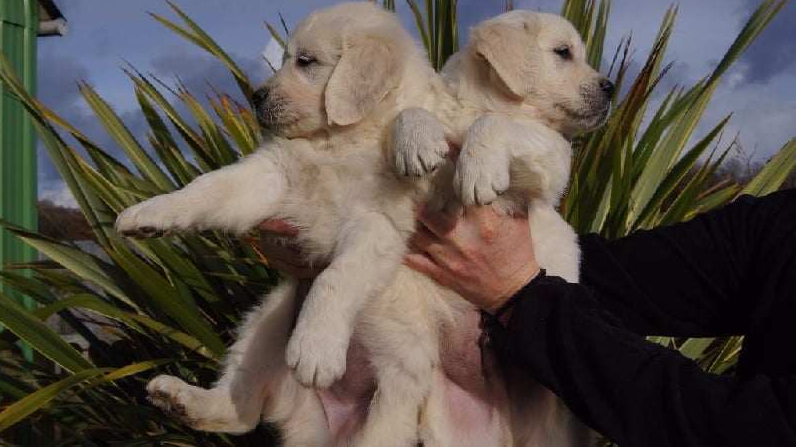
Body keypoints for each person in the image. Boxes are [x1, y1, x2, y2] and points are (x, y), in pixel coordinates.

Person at [260, 187, 796, 446]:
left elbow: (758, 432)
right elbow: (610, 277)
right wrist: (381, 239)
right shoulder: (781, 222)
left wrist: (520, 294)